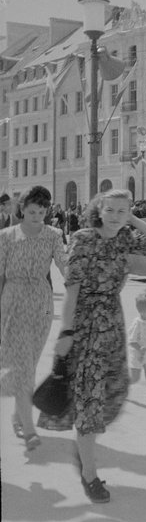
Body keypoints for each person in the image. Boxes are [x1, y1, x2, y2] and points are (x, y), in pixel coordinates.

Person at [40, 188, 146, 502]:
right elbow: (72, 291)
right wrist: (66, 332)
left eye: (121, 211)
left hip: (112, 323)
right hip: (85, 326)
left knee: (109, 391)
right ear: (99, 209)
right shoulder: (83, 238)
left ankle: (84, 453)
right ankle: (89, 473)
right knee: (90, 400)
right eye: (109, 210)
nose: (114, 217)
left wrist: (133, 218)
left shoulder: (125, 236)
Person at [0, 186, 67, 451]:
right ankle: (29, 429)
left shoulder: (54, 235)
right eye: (31, 212)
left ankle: (19, 413)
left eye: (41, 212)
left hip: (43, 305)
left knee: (31, 362)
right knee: (24, 367)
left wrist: (76, 275)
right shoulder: (6, 236)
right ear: (22, 210)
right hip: (13, 302)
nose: (37, 216)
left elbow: (64, 264)